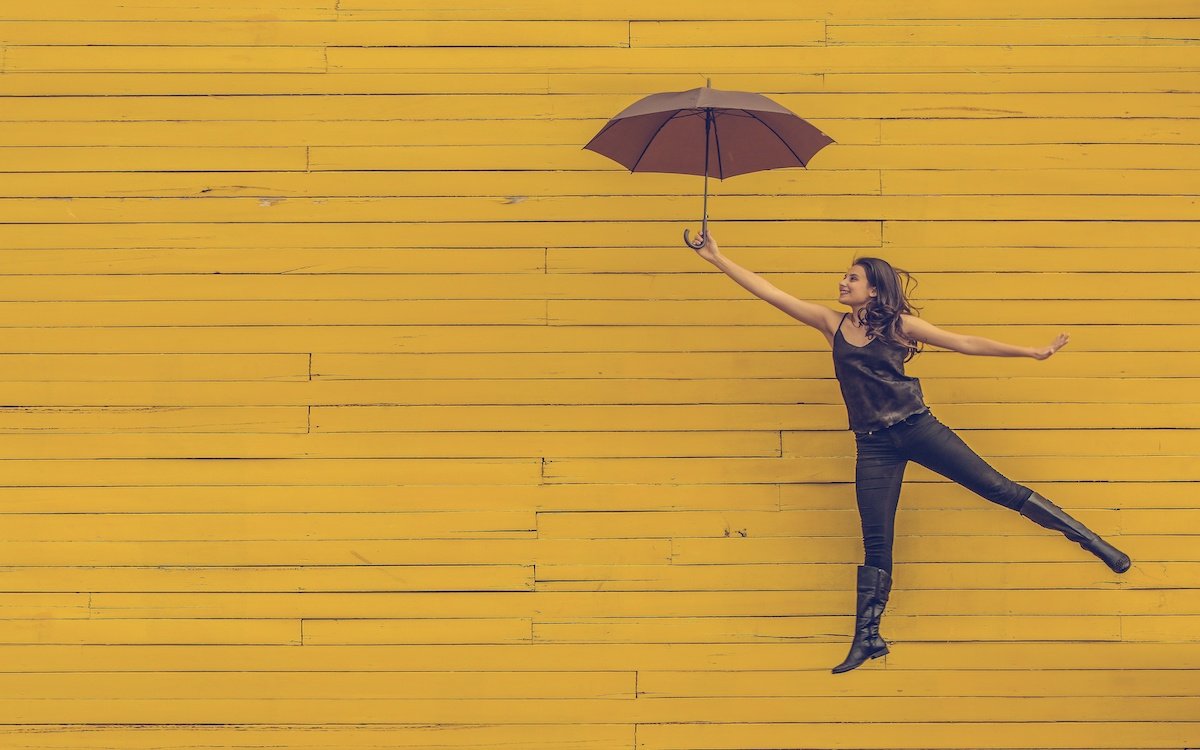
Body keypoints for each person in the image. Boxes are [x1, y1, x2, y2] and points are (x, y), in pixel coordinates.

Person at [691, 232, 1131, 675]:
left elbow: (964, 342)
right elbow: (770, 291)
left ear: (874, 289)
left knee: (999, 489)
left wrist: (1031, 352)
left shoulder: (899, 325)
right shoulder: (832, 324)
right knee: (876, 541)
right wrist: (716, 258)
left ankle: (1094, 543)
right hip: (873, 443)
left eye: (852, 278)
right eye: (845, 277)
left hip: (917, 428)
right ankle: (868, 638)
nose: (843, 283)